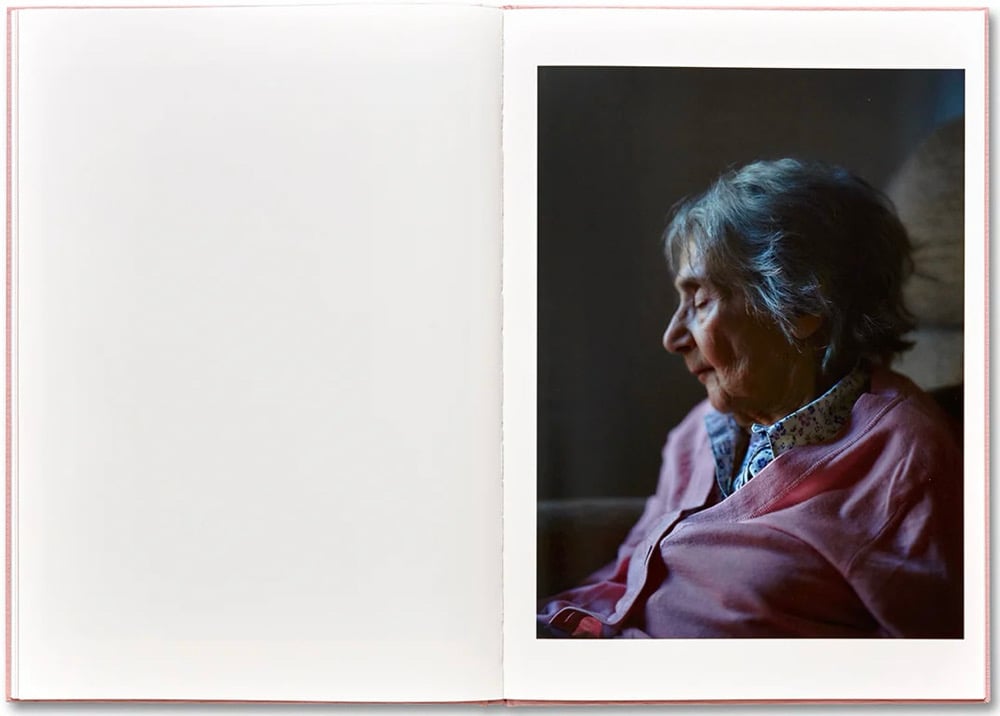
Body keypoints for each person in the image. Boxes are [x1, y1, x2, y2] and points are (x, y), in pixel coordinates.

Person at [537, 158, 963, 638]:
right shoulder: (701, 429)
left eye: (700, 300)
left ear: (802, 307)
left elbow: (933, 658)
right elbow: (620, 583)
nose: (672, 337)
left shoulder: (904, 459)